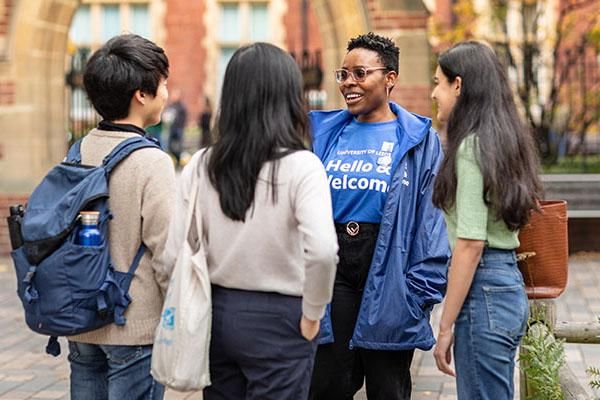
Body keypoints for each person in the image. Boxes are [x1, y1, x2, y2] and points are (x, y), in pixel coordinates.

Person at [161, 42, 338, 399]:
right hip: (282, 315)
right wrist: (313, 312)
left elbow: (172, 252)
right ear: (288, 96)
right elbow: (321, 250)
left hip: (218, 312)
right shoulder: (303, 166)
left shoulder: (201, 165)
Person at [309, 32, 450, 400]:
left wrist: (418, 294)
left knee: (388, 388)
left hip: (390, 269)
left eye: (360, 73)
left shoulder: (420, 139)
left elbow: (430, 221)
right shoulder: (322, 133)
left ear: (390, 78)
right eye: (343, 74)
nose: (348, 83)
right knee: (326, 383)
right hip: (334, 266)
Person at [66, 34, 175, 400]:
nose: (166, 93)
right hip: (135, 326)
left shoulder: (76, 152)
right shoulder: (151, 161)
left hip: (81, 321)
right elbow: (167, 253)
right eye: (163, 83)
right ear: (140, 94)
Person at [431, 41, 542, 399]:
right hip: (507, 288)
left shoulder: (470, 148)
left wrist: (445, 324)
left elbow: (470, 243)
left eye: (438, 83)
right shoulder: (506, 141)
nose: (434, 93)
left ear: (458, 85)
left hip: (482, 293)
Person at [167, 89, 187, 167]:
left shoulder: (182, 106)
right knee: (169, 146)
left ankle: (179, 162)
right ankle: (176, 159)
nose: (174, 97)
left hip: (179, 129)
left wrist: (181, 126)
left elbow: (184, 118)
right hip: (172, 128)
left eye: (175, 95)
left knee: (179, 147)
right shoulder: (171, 106)